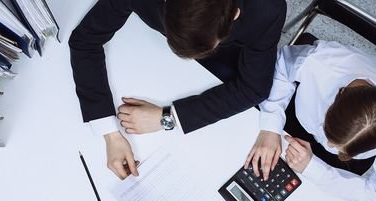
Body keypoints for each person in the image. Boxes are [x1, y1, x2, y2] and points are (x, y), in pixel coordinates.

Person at [69, 0, 286, 179]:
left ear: (235, 14)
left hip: (232, 58)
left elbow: (254, 88)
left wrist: (167, 118)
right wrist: (109, 133)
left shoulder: (266, 9)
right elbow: (84, 41)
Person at [244, 40, 376, 201]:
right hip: (295, 115)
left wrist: (316, 171)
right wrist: (270, 126)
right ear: (341, 92)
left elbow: (372, 198)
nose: (329, 145)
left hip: (342, 164)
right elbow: (281, 66)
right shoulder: (319, 62)